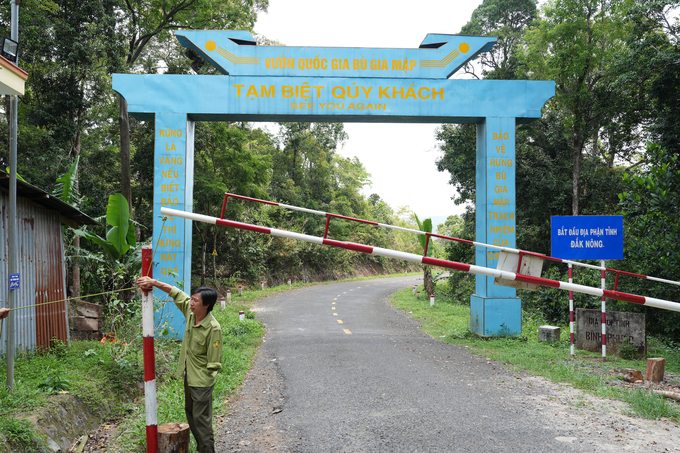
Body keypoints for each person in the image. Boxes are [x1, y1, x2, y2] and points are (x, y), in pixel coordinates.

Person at [136, 277, 222, 453]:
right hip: (188, 377)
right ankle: (201, 449)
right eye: (192, 299)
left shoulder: (213, 328)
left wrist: (204, 385)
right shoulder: (191, 314)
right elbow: (175, 292)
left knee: (202, 422)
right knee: (191, 416)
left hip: (201, 383)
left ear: (206, 305)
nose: (191, 303)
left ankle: (207, 450)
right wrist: (153, 282)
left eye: (196, 301)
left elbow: (214, 362)